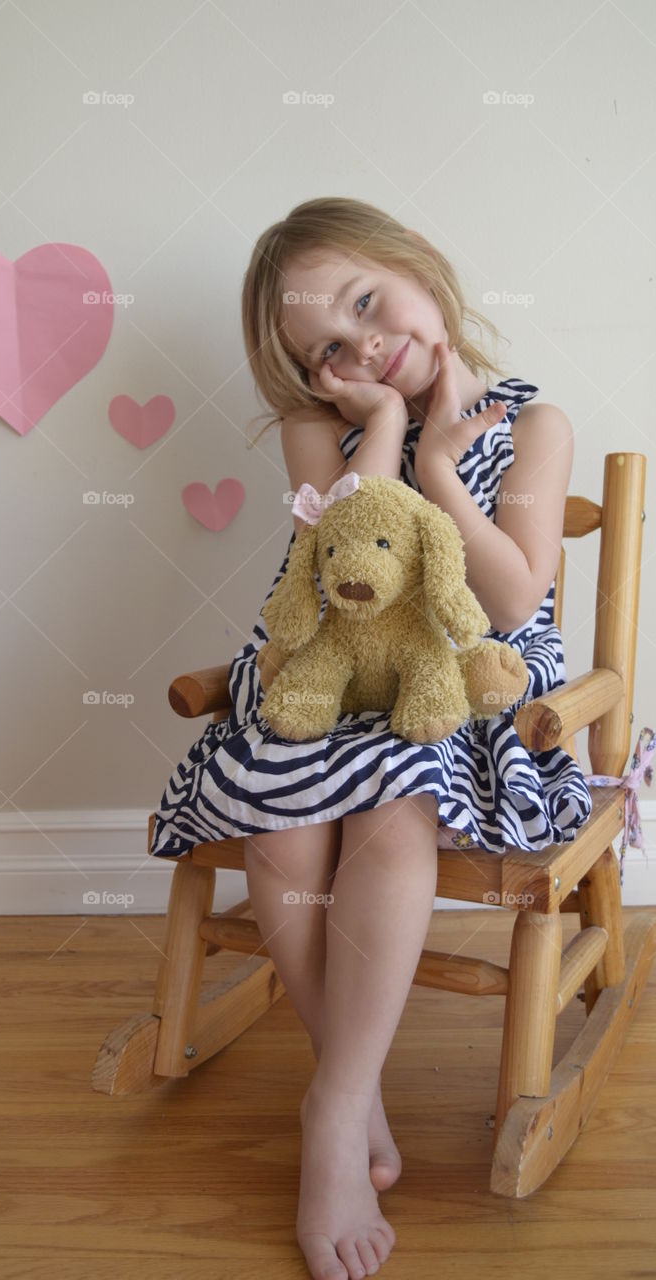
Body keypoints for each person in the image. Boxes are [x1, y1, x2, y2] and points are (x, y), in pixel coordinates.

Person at [148, 197, 593, 1280]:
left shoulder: (533, 427)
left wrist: (441, 466)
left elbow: (506, 597)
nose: (362, 345)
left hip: (460, 691)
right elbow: (328, 572)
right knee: (285, 840)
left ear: (417, 267)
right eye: (328, 350)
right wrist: (387, 431)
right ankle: (352, 1088)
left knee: (389, 816)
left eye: (364, 301)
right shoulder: (321, 430)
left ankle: (331, 1106)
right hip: (326, 683)